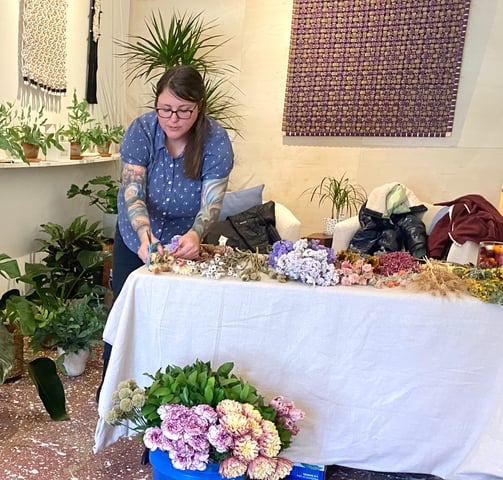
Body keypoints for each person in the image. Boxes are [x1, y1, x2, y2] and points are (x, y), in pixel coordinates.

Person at [97, 65, 234, 400]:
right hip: (136, 236)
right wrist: (144, 237)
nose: (173, 119)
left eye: (184, 110)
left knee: (174, 318)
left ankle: (167, 401)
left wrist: (196, 234)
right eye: (165, 109)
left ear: (199, 106)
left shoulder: (215, 140)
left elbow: (212, 202)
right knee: (126, 311)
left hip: (183, 240)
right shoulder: (142, 130)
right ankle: (111, 393)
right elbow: (133, 190)